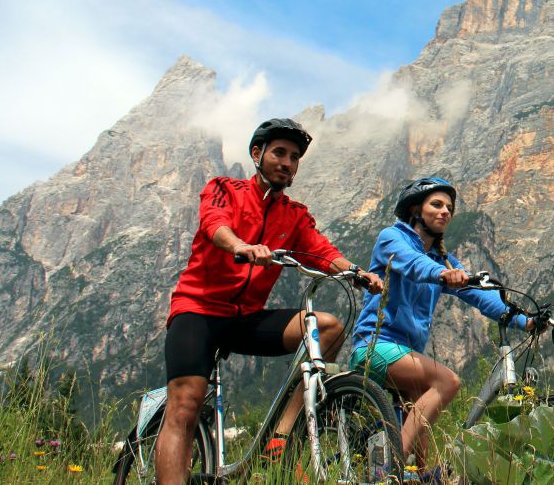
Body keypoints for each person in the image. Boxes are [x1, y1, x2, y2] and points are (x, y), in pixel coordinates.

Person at [155, 118, 383, 485]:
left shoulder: (293, 214)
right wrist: (240, 246)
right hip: (197, 312)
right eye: (279, 152)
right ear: (257, 153)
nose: (287, 163)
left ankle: (281, 433)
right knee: (186, 403)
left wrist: (356, 273)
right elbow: (215, 224)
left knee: (328, 329)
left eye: (294, 157)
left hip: (246, 318)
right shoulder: (224, 189)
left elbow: (320, 252)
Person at [349, 177, 542, 480]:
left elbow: (483, 296)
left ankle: (422, 474)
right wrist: (442, 274)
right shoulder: (392, 238)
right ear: (415, 209)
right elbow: (412, 263)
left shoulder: (443, 259)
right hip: (374, 347)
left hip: (407, 356)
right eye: (436, 205)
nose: (445, 212)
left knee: (422, 424)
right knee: (447, 381)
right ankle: (389, 470)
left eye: (449, 208)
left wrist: (525, 320)